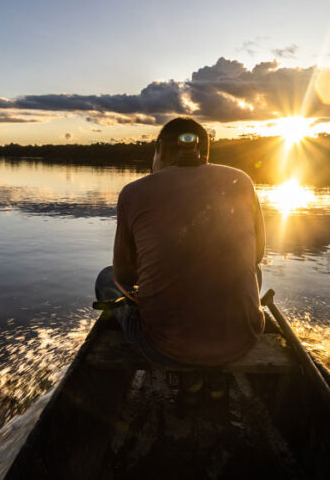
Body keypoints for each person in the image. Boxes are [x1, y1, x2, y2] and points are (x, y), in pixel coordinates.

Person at [95, 117, 265, 367]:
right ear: (205, 153)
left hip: (164, 349)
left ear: (161, 150)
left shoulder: (133, 192)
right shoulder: (241, 180)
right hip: (243, 340)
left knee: (106, 279)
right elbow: (257, 256)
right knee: (255, 271)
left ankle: (125, 340)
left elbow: (125, 276)